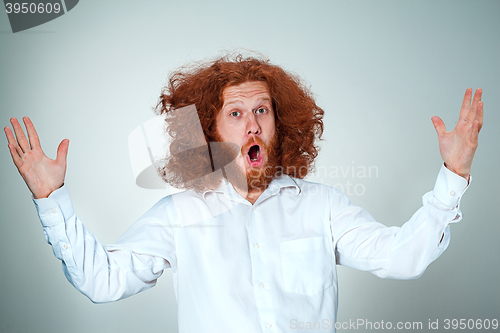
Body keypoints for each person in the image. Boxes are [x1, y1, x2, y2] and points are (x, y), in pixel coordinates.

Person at [4, 55, 483, 333]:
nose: (252, 123)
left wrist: (453, 175)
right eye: (235, 114)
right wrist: (51, 198)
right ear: (207, 131)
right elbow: (102, 281)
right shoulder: (182, 213)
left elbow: (403, 258)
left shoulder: (323, 206)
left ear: (280, 122)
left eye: (262, 110)